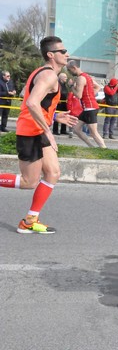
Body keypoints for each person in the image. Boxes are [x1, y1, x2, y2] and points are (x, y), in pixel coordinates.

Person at [0, 36, 79, 233]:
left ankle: (29, 221)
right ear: (51, 55)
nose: (67, 54)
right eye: (63, 51)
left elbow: (38, 104)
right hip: (31, 131)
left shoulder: (45, 73)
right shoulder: (48, 76)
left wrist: (55, 116)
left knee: (53, 173)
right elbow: (31, 103)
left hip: (37, 129)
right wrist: (48, 131)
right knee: (29, 182)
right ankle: (28, 221)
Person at [66, 60, 106, 148]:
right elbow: (98, 87)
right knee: (76, 129)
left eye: (69, 70)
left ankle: (104, 149)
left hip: (90, 108)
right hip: (88, 107)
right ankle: (91, 147)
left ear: (74, 68)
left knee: (93, 133)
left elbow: (79, 95)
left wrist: (71, 86)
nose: (69, 72)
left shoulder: (80, 78)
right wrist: (90, 95)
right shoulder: (87, 76)